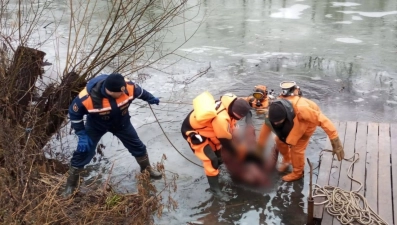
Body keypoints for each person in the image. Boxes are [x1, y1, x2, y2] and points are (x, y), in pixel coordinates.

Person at [63, 73, 162, 198]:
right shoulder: (86, 98)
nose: (124, 93)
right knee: (83, 153)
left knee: (138, 147)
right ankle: (70, 185)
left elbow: (141, 92)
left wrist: (151, 98)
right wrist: (82, 134)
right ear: (109, 91)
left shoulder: (128, 87)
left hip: (122, 123)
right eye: (120, 93)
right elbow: (74, 114)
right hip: (96, 126)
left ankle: (147, 170)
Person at [256, 81, 345, 182]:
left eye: (279, 122)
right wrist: (257, 155)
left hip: (307, 121)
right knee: (279, 140)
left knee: (297, 147)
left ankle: (298, 173)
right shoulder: (271, 115)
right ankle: (287, 159)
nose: (276, 125)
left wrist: (335, 139)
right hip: (291, 121)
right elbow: (262, 138)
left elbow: (323, 121)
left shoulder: (302, 109)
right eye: (274, 123)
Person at [181, 92, 251, 199]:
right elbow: (226, 142)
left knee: (218, 150)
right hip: (194, 133)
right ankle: (215, 190)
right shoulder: (221, 119)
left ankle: (219, 166)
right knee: (211, 159)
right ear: (233, 112)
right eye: (239, 117)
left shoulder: (231, 103)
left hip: (208, 129)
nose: (240, 119)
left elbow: (231, 129)